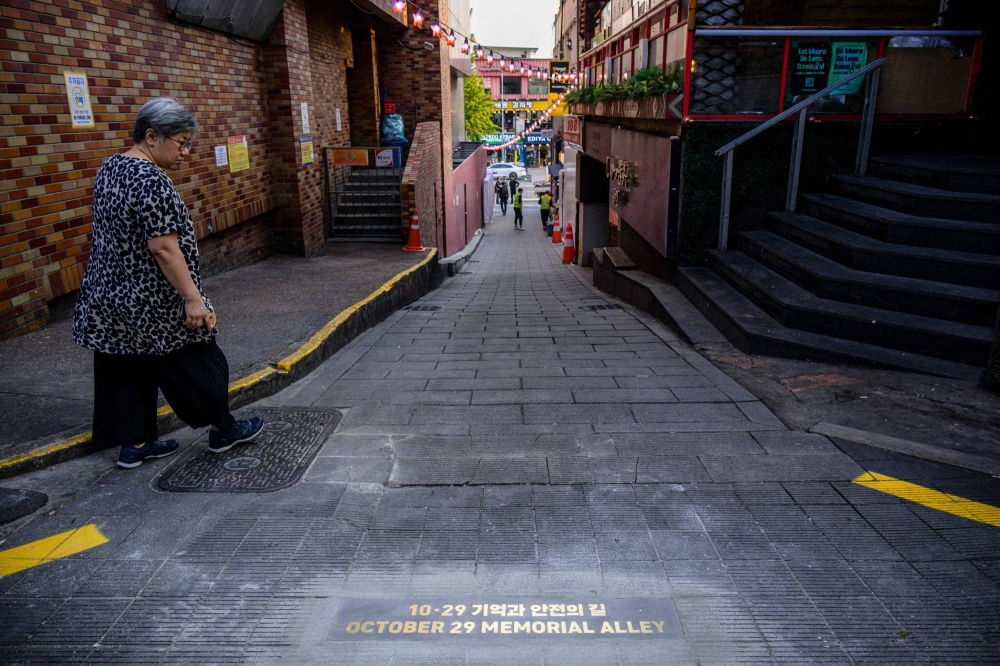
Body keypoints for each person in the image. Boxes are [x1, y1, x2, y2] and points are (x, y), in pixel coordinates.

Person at [73, 97, 265, 469]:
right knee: (201, 358)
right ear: (151, 136)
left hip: (110, 296)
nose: (187, 152)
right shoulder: (150, 180)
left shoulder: (112, 167)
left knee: (128, 368)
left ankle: (136, 444)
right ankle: (223, 429)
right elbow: (163, 248)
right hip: (154, 299)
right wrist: (193, 300)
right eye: (181, 142)